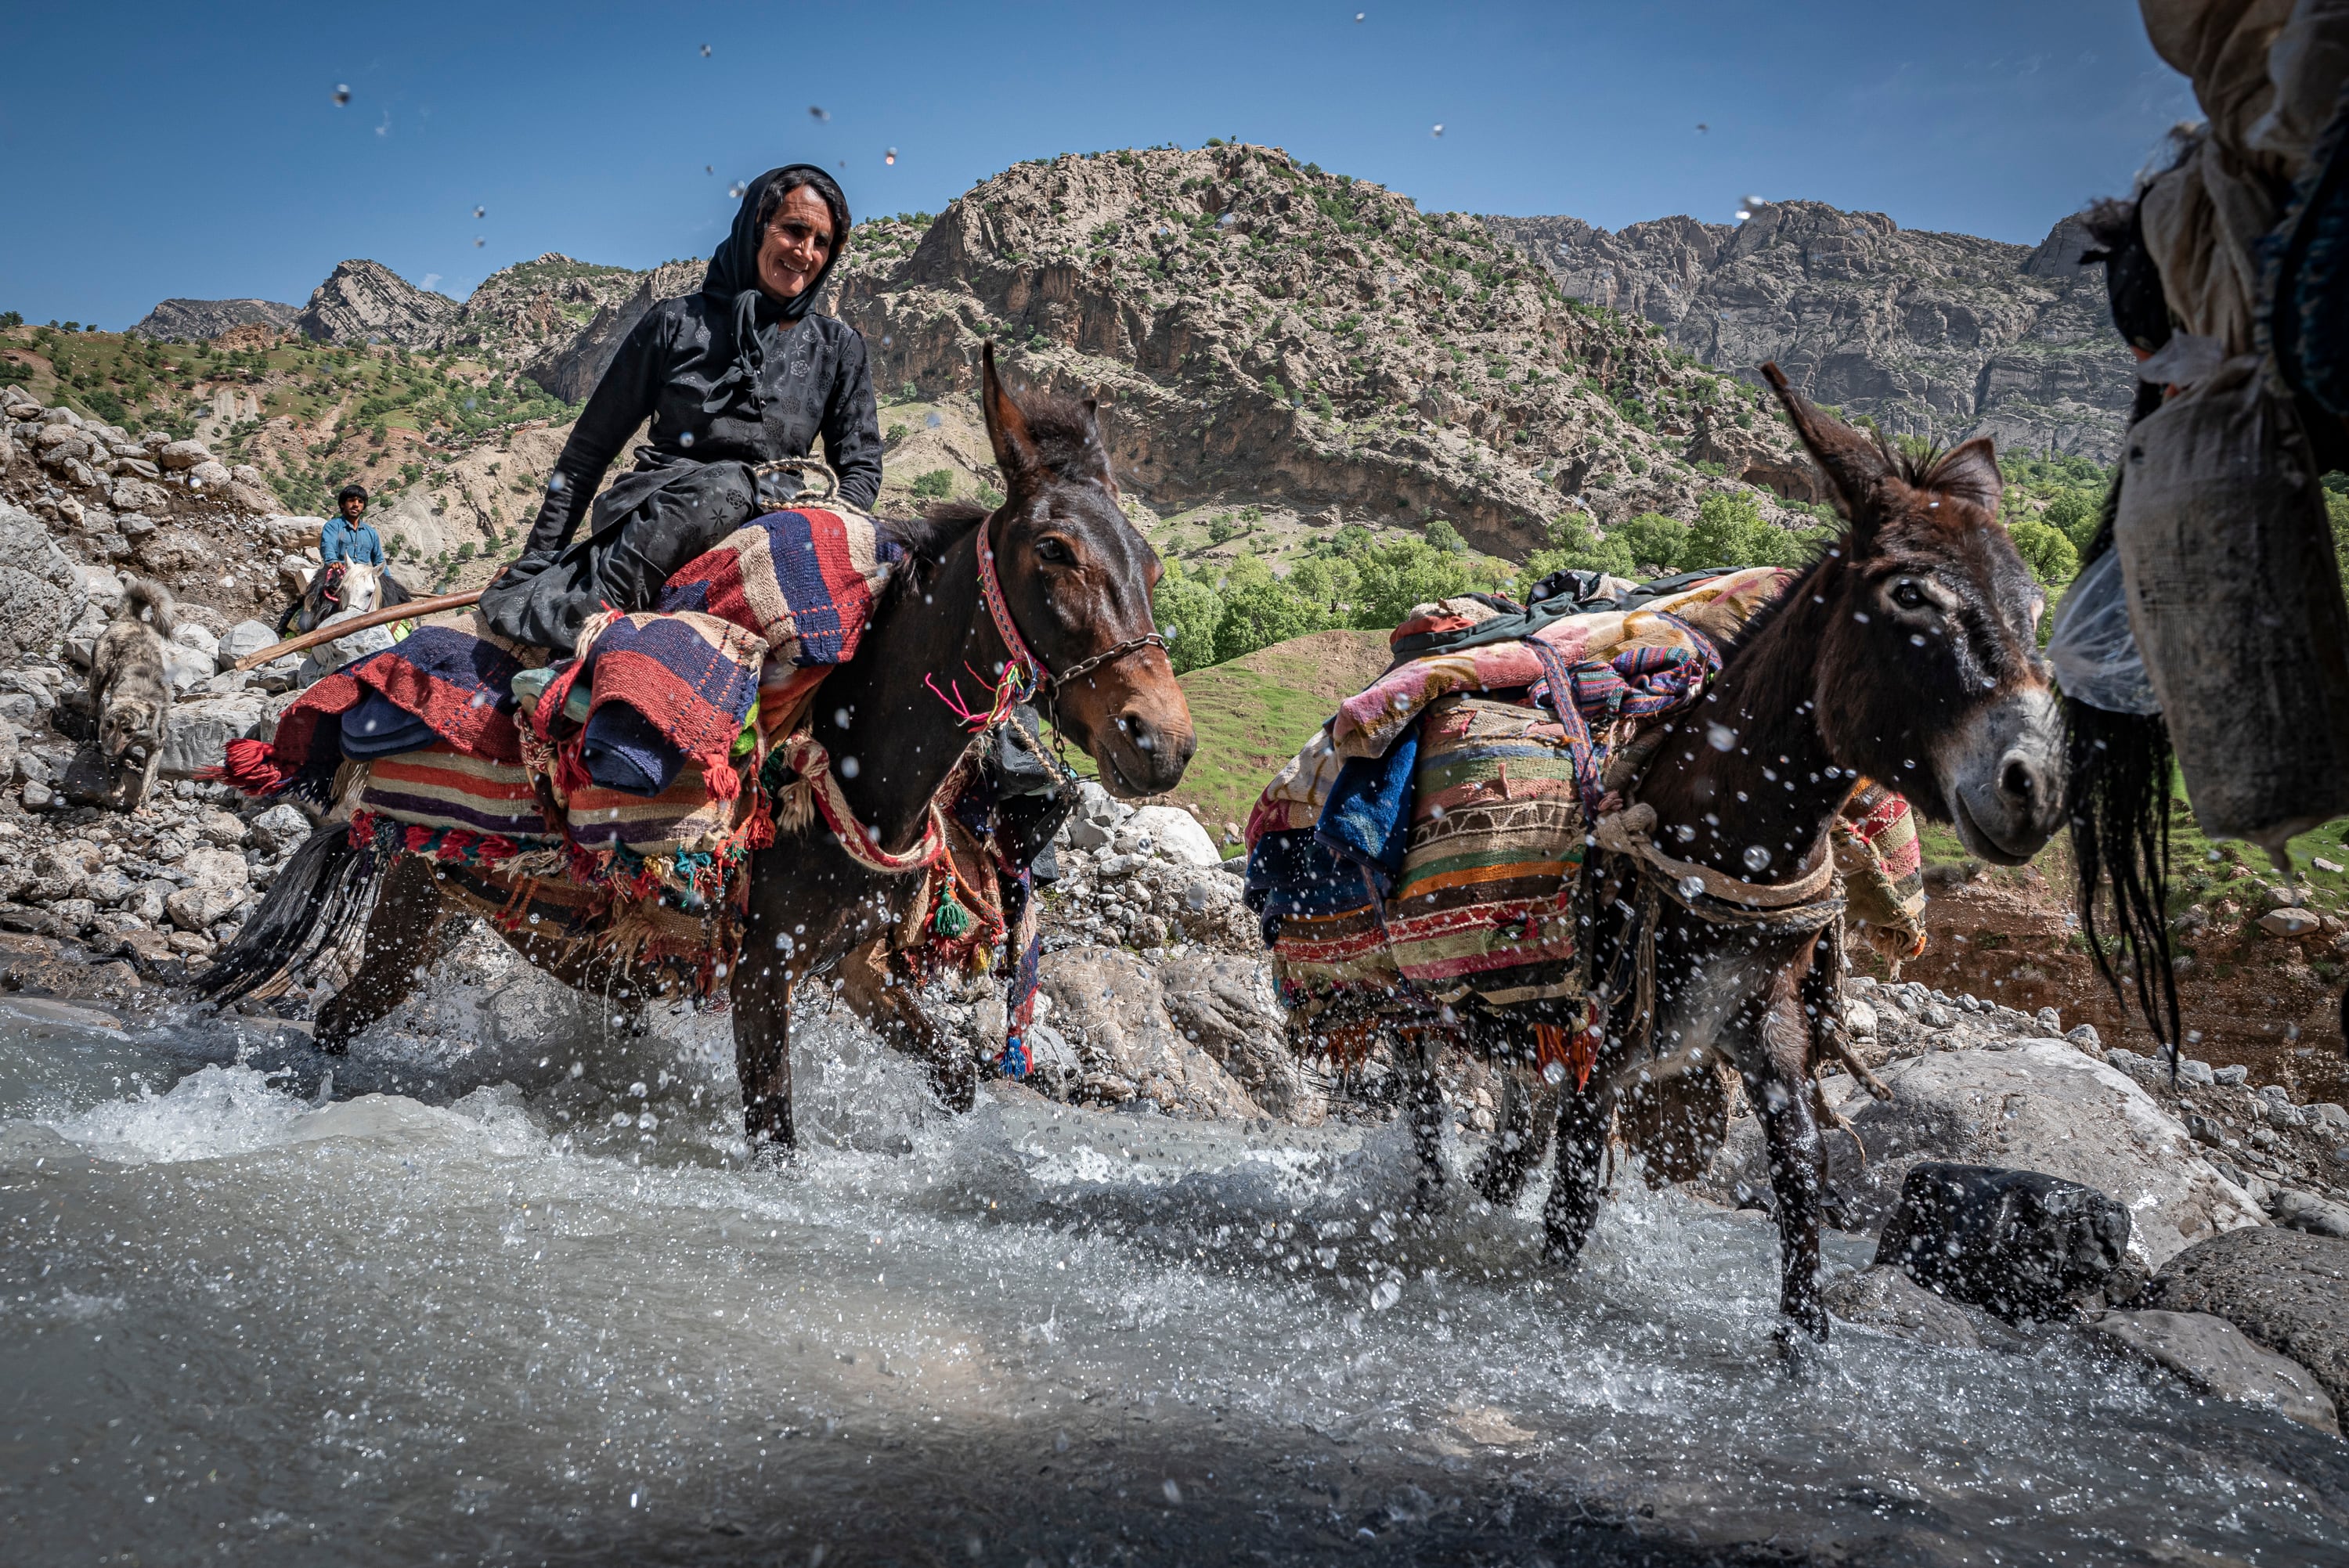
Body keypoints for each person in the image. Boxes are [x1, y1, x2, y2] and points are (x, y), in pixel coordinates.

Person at [477, 164, 881, 654]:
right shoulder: (674, 322)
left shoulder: (838, 348)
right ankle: (580, 628)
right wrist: (539, 556)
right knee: (728, 485)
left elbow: (859, 467)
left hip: (772, 526)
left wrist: (818, 525)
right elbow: (588, 453)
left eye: (822, 242)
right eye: (794, 230)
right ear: (756, 227)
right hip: (660, 513)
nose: (805, 252)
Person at [319, 483, 385, 570]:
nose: (356, 505)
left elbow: (379, 560)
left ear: (364, 507)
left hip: (362, 576)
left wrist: (389, 581)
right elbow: (328, 546)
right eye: (351, 500)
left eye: (360, 502)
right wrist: (333, 561)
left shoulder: (371, 533)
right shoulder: (333, 526)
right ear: (342, 504)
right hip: (338, 572)